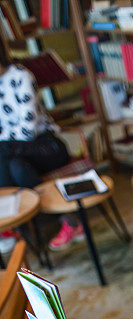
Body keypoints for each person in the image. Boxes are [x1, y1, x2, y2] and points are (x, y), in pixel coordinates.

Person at [0, 37, 83, 253]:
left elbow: (28, 130)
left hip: (47, 147)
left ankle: (15, 228)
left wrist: (5, 140)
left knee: (3, 153)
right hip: (16, 155)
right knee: (16, 166)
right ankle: (69, 221)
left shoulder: (21, 76)